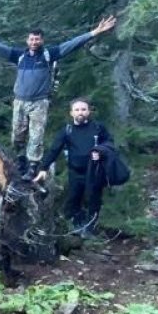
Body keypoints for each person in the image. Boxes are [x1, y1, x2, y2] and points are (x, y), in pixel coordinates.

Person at [0, 15, 116, 178]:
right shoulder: (20, 56)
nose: (34, 42)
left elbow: (72, 44)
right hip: (20, 102)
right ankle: (21, 159)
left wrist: (95, 32)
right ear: (27, 40)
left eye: (37, 39)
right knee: (17, 134)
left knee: (36, 136)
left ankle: (32, 166)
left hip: (39, 103)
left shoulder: (48, 55)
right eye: (31, 39)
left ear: (42, 40)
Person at [34, 98, 114, 235]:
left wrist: (100, 153)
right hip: (75, 172)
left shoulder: (98, 128)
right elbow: (54, 150)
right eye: (77, 110)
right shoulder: (67, 130)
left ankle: (90, 229)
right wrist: (43, 168)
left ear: (89, 111)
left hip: (95, 171)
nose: (80, 112)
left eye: (83, 109)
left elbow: (110, 144)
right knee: (74, 199)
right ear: (71, 113)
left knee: (94, 200)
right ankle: (75, 227)